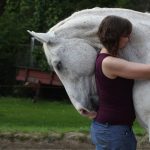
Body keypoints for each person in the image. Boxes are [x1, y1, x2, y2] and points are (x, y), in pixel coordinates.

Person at [90, 15, 150, 150]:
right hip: (113, 131)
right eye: (126, 36)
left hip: (108, 128)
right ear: (116, 36)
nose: (128, 40)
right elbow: (148, 72)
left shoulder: (105, 57)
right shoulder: (110, 63)